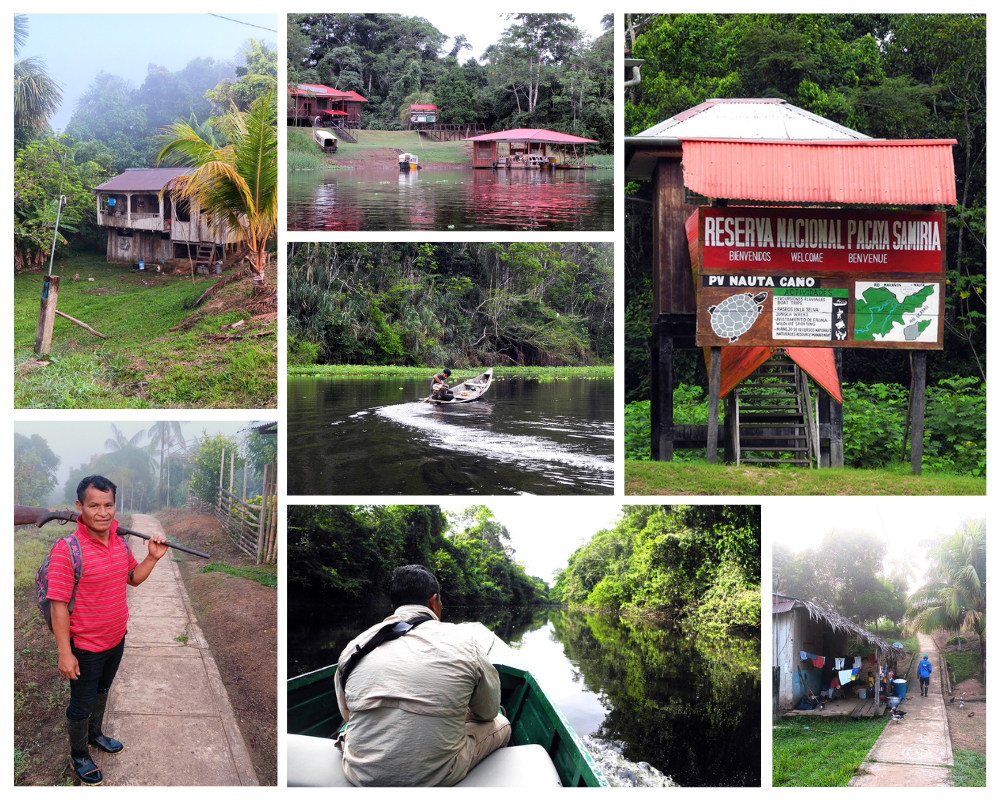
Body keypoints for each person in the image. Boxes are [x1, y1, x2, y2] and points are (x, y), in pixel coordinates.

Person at [334, 565, 511, 786]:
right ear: (433, 601)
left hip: (360, 774)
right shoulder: (466, 643)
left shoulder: (356, 646)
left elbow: (348, 715)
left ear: (393, 606)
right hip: (437, 776)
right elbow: (487, 713)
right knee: (501, 721)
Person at [46, 475, 169, 785]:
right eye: (94, 505)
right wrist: (65, 653)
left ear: (116, 505)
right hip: (85, 647)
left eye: (108, 505)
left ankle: (95, 734)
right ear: (79, 507)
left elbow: (133, 577)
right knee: (81, 703)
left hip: (116, 639)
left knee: (102, 692)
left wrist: (152, 558)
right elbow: (58, 604)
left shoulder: (118, 542)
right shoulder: (67, 550)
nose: (102, 512)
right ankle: (78, 754)